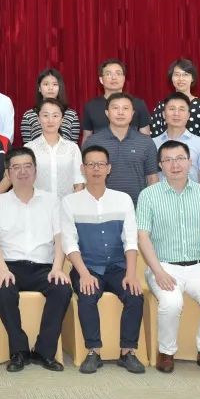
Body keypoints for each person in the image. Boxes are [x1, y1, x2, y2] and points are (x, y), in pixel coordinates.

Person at [136, 141, 200, 375]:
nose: (174, 165)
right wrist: (158, 272)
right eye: (168, 160)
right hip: (164, 266)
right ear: (160, 165)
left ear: (189, 162)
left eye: (180, 159)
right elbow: (143, 237)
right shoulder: (148, 195)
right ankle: (166, 352)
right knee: (171, 303)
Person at [59, 145, 146, 375]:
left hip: (117, 267)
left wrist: (131, 274)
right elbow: (69, 243)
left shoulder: (123, 200)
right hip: (87, 267)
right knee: (87, 294)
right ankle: (93, 352)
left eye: (100, 164)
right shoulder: (70, 202)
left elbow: (130, 240)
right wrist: (84, 274)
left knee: (135, 295)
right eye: (91, 164)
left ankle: (127, 352)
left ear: (109, 168)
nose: (96, 169)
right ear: (83, 169)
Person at [0, 147, 71, 372]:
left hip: (44, 266)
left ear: (35, 170)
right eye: (16, 167)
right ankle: (19, 351)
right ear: (8, 173)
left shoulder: (52, 201)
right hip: (8, 265)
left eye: (27, 166)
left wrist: (57, 268)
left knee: (62, 289)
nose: (22, 172)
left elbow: (60, 238)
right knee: (4, 290)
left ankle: (44, 351)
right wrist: (2, 269)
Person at [84, 93, 159, 204]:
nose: (120, 112)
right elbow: (86, 177)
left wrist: (152, 205)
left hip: (138, 206)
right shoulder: (93, 142)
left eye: (125, 108)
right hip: (102, 206)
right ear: (107, 113)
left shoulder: (146, 142)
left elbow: (152, 178)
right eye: (115, 108)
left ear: (132, 113)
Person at [80, 59, 151, 144]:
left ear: (124, 78)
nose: (114, 78)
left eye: (118, 73)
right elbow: (87, 138)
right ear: (101, 79)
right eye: (108, 74)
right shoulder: (91, 106)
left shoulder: (138, 104)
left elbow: (146, 137)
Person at [152, 92, 200, 187]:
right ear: (163, 114)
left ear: (188, 115)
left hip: (193, 196)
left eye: (181, 109)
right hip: (160, 196)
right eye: (172, 109)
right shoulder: (152, 143)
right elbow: (151, 179)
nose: (176, 113)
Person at [28, 97, 85, 198]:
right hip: (38, 205)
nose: (50, 120)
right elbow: (25, 183)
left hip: (66, 205)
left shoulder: (72, 148)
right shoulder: (29, 148)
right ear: (38, 119)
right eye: (45, 115)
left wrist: (71, 204)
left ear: (62, 119)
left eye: (55, 115)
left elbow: (79, 183)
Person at [149, 58, 200, 141]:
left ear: (192, 78)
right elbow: (155, 137)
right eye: (177, 74)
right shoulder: (162, 105)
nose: (181, 79)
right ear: (171, 78)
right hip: (166, 148)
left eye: (185, 74)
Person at [20, 68, 81, 144]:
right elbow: (27, 147)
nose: (50, 88)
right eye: (46, 84)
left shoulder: (71, 115)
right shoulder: (28, 115)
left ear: (60, 87)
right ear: (39, 88)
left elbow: (73, 146)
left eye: (55, 84)